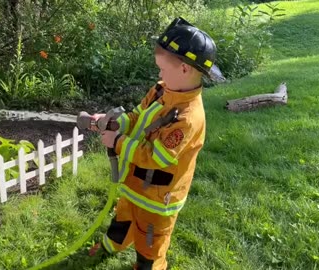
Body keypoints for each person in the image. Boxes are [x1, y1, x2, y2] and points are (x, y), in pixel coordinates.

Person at [89, 17, 224, 270]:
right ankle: (111, 246)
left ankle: (147, 266)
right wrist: (118, 124)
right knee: (123, 218)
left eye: (162, 69)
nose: (159, 74)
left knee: (150, 240)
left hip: (158, 199)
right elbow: (138, 116)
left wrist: (117, 142)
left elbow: (156, 157)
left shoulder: (188, 117)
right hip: (134, 184)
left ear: (184, 69)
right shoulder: (161, 90)